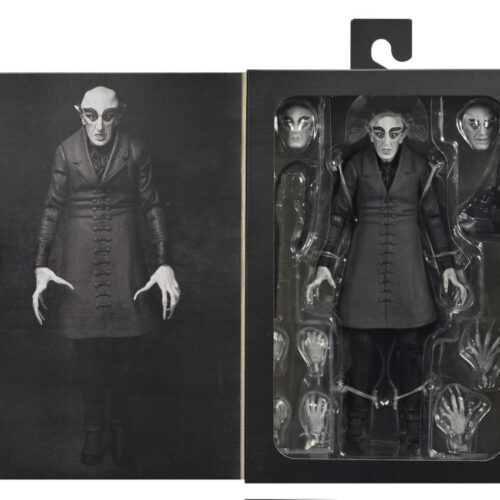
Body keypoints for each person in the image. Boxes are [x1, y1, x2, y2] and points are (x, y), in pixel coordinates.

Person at [32, 86, 180, 467]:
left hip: (126, 259)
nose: (99, 126)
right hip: (78, 264)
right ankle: (94, 433)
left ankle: (121, 431)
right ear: (79, 113)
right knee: (88, 358)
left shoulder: (136, 150)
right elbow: (52, 207)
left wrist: (164, 261)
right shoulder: (65, 151)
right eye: (91, 115)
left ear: (120, 114)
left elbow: (152, 205)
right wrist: (40, 264)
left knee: (127, 357)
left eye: (108, 116)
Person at [306, 109, 467, 448]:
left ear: (405, 133)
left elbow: (434, 219)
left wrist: (448, 267)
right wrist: (324, 264)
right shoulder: (355, 166)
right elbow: (337, 217)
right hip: (363, 264)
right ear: (369, 133)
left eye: (394, 132)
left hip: (409, 267)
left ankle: (414, 433)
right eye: (379, 132)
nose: (386, 140)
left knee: (410, 347)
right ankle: (354, 433)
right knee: (361, 349)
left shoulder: (420, 167)